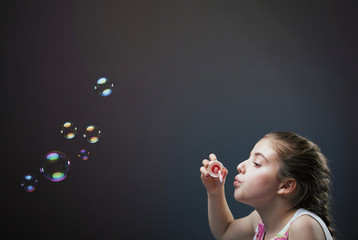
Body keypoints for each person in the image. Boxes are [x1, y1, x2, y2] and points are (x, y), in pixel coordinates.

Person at [200, 131, 334, 240]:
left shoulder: (302, 226)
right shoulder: (260, 222)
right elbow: (225, 232)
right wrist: (215, 191)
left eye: (257, 163)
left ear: (286, 186)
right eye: (249, 158)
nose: (240, 166)